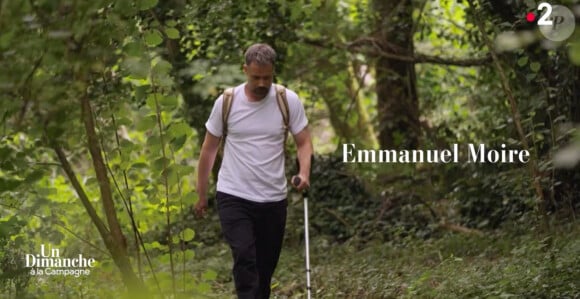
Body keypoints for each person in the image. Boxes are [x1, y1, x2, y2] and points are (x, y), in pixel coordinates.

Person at [194, 43, 313, 299]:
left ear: (273, 72)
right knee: (245, 259)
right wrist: (202, 194)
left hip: (273, 199)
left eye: (267, 78)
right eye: (255, 77)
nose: (261, 83)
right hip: (233, 195)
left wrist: (304, 173)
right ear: (245, 69)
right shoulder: (226, 102)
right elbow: (209, 149)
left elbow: (303, 141)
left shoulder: (287, 100)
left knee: (264, 268)